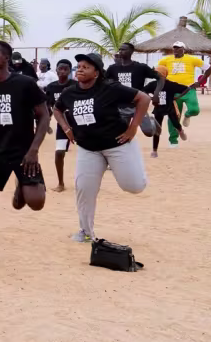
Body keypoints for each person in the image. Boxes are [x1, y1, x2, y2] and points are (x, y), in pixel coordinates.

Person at [0, 41, 51, 268]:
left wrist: (34, 150)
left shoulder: (25, 84)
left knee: (36, 203)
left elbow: (44, 116)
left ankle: (20, 185)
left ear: (6, 58)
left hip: (24, 152)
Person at [52, 53, 151, 242]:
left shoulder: (110, 88)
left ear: (96, 73)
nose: (80, 69)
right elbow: (57, 109)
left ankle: (125, 166)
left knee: (134, 186)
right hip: (88, 148)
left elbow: (144, 99)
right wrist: (66, 128)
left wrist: (133, 128)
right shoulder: (69, 93)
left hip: (118, 144)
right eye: (78, 66)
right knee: (84, 189)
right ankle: (85, 231)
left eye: (86, 67)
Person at [162, 42, 211, 144]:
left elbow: (209, 68)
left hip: (188, 89)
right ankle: (173, 140)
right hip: (172, 91)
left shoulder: (192, 59)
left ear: (183, 49)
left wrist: (199, 82)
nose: (175, 50)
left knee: (195, 110)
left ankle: (188, 115)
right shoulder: (166, 60)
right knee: (173, 116)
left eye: (178, 48)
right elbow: (157, 71)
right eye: (174, 48)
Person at [42, 59, 78, 191]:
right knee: (59, 153)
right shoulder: (51, 87)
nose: (62, 71)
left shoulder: (76, 85)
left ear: (69, 71)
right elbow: (49, 106)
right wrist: (46, 122)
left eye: (65, 69)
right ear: (56, 70)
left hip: (79, 124)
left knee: (90, 153)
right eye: (60, 69)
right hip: (62, 125)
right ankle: (61, 183)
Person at [146, 63, 189, 158]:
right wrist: (151, 97)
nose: (155, 74)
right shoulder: (152, 84)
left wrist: (178, 96)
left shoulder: (170, 84)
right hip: (158, 109)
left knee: (175, 123)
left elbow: (186, 88)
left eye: (156, 73)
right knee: (157, 130)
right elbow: (143, 91)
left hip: (170, 107)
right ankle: (154, 151)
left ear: (162, 74)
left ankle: (180, 130)